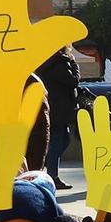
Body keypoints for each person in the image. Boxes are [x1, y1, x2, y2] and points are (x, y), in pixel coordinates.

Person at [38, 45, 79, 188]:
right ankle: (52, 176)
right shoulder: (59, 63)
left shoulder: (48, 63)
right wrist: (74, 64)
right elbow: (73, 80)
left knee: (63, 141)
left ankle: (47, 166)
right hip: (59, 110)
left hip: (55, 109)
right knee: (58, 142)